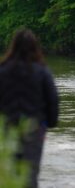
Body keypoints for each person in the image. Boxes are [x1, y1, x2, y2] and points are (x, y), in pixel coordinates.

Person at [0, 28, 59, 188]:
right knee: (30, 174)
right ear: (35, 47)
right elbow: (53, 100)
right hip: (34, 129)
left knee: (8, 170)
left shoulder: (2, 70)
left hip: (7, 128)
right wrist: (50, 123)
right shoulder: (42, 72)